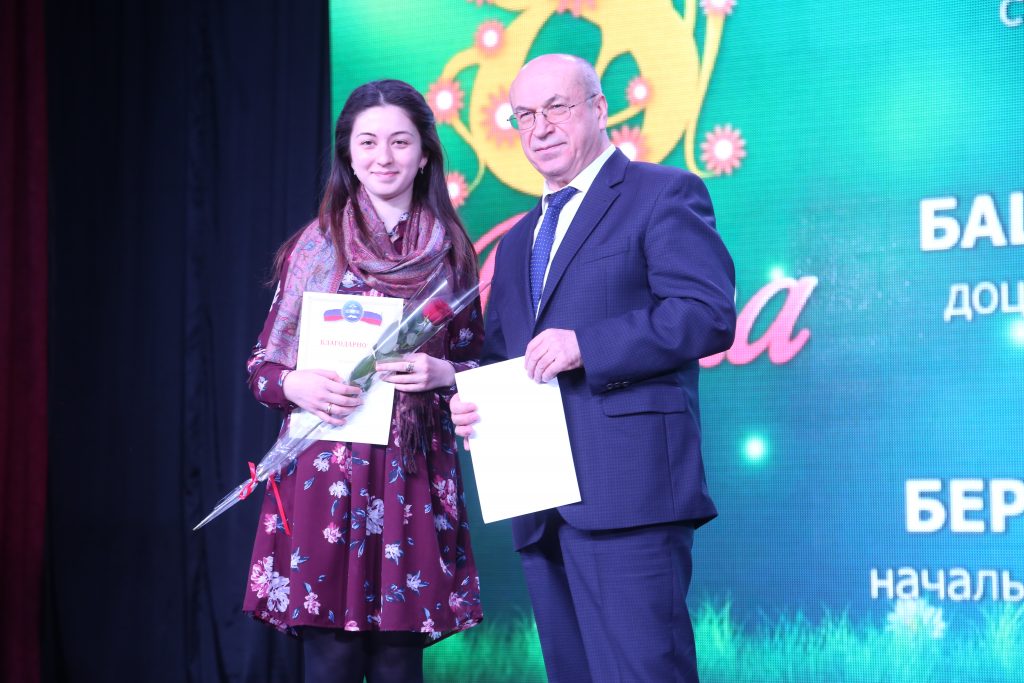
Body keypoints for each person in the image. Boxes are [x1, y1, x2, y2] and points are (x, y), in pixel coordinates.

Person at [450, 55, 737, 682]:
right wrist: (473, 406)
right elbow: (503, 357)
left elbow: (706, 314)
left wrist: (588, 344)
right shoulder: (519, 240)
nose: (540, 127)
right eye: (524, 115)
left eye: (557, 107)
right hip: (538, 498)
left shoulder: (663, 192)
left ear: (600, 108)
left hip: (630, 492)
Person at [243, 79, 483, 683]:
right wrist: (295, 385)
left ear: (424, 155)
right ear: (348, 156)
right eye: (368, 142)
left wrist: (443, 373)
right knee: (331, 660)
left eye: (400, 142)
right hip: (326, 477)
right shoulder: (315, 246)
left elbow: (479, 368)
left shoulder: (452, 254)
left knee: (399, 662)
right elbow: (262, 370)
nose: (384, 157)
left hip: (411, 475)